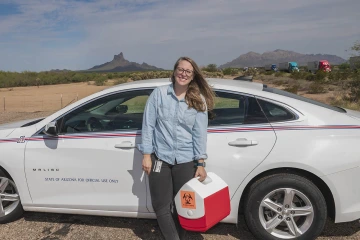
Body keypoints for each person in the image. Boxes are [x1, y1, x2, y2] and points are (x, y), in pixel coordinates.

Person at [137, 56, 215, 240]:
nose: (183, 74)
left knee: (184, 205)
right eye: (180, 69)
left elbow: (199, 134)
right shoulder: (159, 94)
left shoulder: (198, 100)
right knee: (161, 205)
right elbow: (148, 125)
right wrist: (147, 155)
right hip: (160, 159)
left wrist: (200, 163)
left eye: (188, 71)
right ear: (174, 71)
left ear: (193, 75)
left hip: (185, 160)